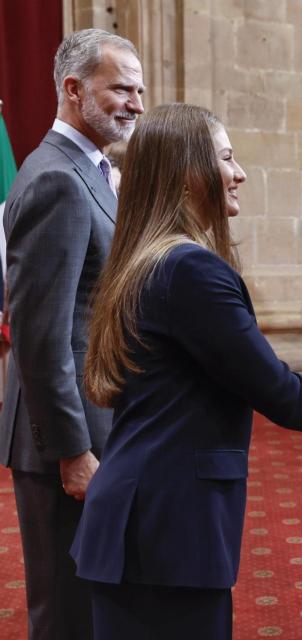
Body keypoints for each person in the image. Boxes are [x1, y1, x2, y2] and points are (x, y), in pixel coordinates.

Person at [69, 103, 302, 639]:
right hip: (166, 525)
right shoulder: (189, 268)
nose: (240, 173)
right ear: (188, 170)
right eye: (227, 157)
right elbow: (278, 391)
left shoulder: (150, 259)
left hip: (145, 516)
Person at [0, 29, 144, 640]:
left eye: (140, 89)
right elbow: (38, 335)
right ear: (73, 88)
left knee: (96, 604)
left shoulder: (93, 170)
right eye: (120, 88)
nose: (136, 102)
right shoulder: (56, 178)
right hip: (67, 440)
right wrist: (71, 452)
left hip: (99, 424)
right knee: (67, 613)